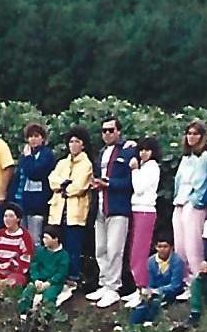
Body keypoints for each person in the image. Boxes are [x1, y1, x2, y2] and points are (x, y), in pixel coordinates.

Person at [89, 117, 136, 308]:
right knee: (100, 248)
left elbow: (131, 181)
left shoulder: (127, 150)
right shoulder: (101, 153)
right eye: (104, 131)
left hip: (117, 207)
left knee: (115, 249)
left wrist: (109, 183)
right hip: (100, 206)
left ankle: (113, 287)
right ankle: (104, 282)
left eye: (110, 130)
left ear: (118, 131)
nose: (107, 134)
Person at [47, 127, 93, 293]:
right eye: (71, 141)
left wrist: (64, 186)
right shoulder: (62, 163)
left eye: (77, 142)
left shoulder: (86, 164)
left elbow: (79, 186)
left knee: (73, 248)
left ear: (83, 145)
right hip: (58, 211)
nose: (73, 145)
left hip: (75, 213)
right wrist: (64, 184)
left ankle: (72, 279)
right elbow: (52, 180)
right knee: (57, 245)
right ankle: (57, 277)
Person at [172, 122, 207, 298]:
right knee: (180, 245)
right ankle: (186, 282)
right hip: (180, 202)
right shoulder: (186, 157)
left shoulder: (204, 157)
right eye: (189, 133)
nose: (191, 137)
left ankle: (197, 284)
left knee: (193, 246)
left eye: (196, 134)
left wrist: (193, 202)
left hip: (193, 204)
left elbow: (201, 184)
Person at [127, 137, 161, 298]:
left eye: (147, 150)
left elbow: (139, 188)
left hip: (146, 211)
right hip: (137, 210)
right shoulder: (145, 166)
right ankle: (137, 287)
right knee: (134, 251)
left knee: (139, 252)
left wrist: (134, 170)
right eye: (141, 150)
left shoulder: (152, 167)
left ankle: (142, 288)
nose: (143, 153)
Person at [129, 237, 186, 324]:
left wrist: (158, 291)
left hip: (173, 292)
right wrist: (149, 291)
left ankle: (149, 322)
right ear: (156, 247)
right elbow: (151, 282)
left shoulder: (177, 261)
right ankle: (131, 326)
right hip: (156, 291)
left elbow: (176, 285)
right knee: (143, 304)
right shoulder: (151, 261)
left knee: (155, 302)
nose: (162, 249)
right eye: (159, 246)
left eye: (165, 247)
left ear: (171, 247)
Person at [15, 123, 56, 244]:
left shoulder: (47, 155)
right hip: (23, 204)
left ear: (43, 138)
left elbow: (35, 173)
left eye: (36, 136)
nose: (33, 139)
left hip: (38, 204)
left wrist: (28, 158)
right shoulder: (25, 156)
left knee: (35, 239)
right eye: (30, 136)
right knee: (22, 239)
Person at [22, 225, 70, 318]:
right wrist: (36, 280)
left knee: (49, 297)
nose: (44, 240)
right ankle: (22, 315)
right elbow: (34, 266)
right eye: (43, 237)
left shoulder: (63, 255)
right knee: (27, 292)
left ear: (55, 239)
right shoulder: (40, 251)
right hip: (39, 281)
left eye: (46, 238)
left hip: (54, 283)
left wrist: (49, 283)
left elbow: (61, 273)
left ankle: (45, 319)